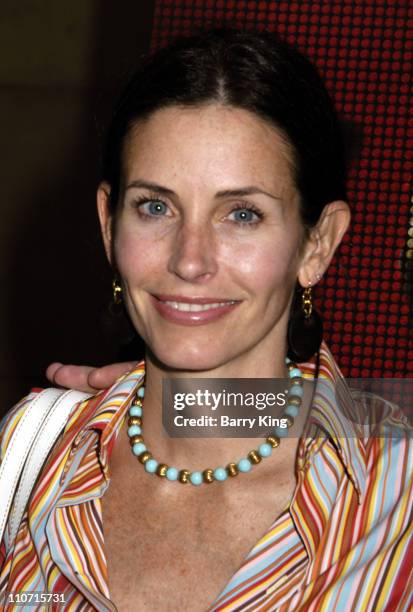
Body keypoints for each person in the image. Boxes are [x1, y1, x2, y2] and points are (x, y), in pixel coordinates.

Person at [1, 28, 412, 611]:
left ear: (317, 244)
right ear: (107, 222)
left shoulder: (396, 501)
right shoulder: (29, 454)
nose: (189, 260)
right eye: (155, 207)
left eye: (242, 214)